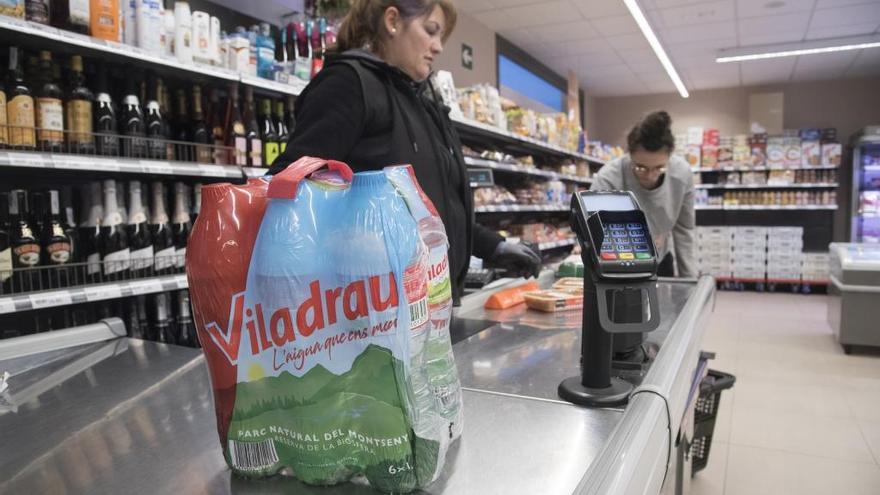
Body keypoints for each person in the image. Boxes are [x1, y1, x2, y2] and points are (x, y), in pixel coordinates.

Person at [269, 0, 540, 303]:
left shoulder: (424, 104)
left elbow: (437, 208)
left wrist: (493, 247)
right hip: (374, 315)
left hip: (433, 307)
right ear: (393, 21)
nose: (438, 47)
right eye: (431, 31)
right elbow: (288, 185)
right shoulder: (350, 84)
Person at [591, 111, 696, 278]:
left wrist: (691, 283)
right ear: (630, 155)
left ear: (670, 157)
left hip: (661, 260)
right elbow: (595, 235)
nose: (650, 176)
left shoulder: (682, 175)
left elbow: (684, 231)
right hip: (618, 266)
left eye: (659, 168)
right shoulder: (608, 179)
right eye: (641, 168)